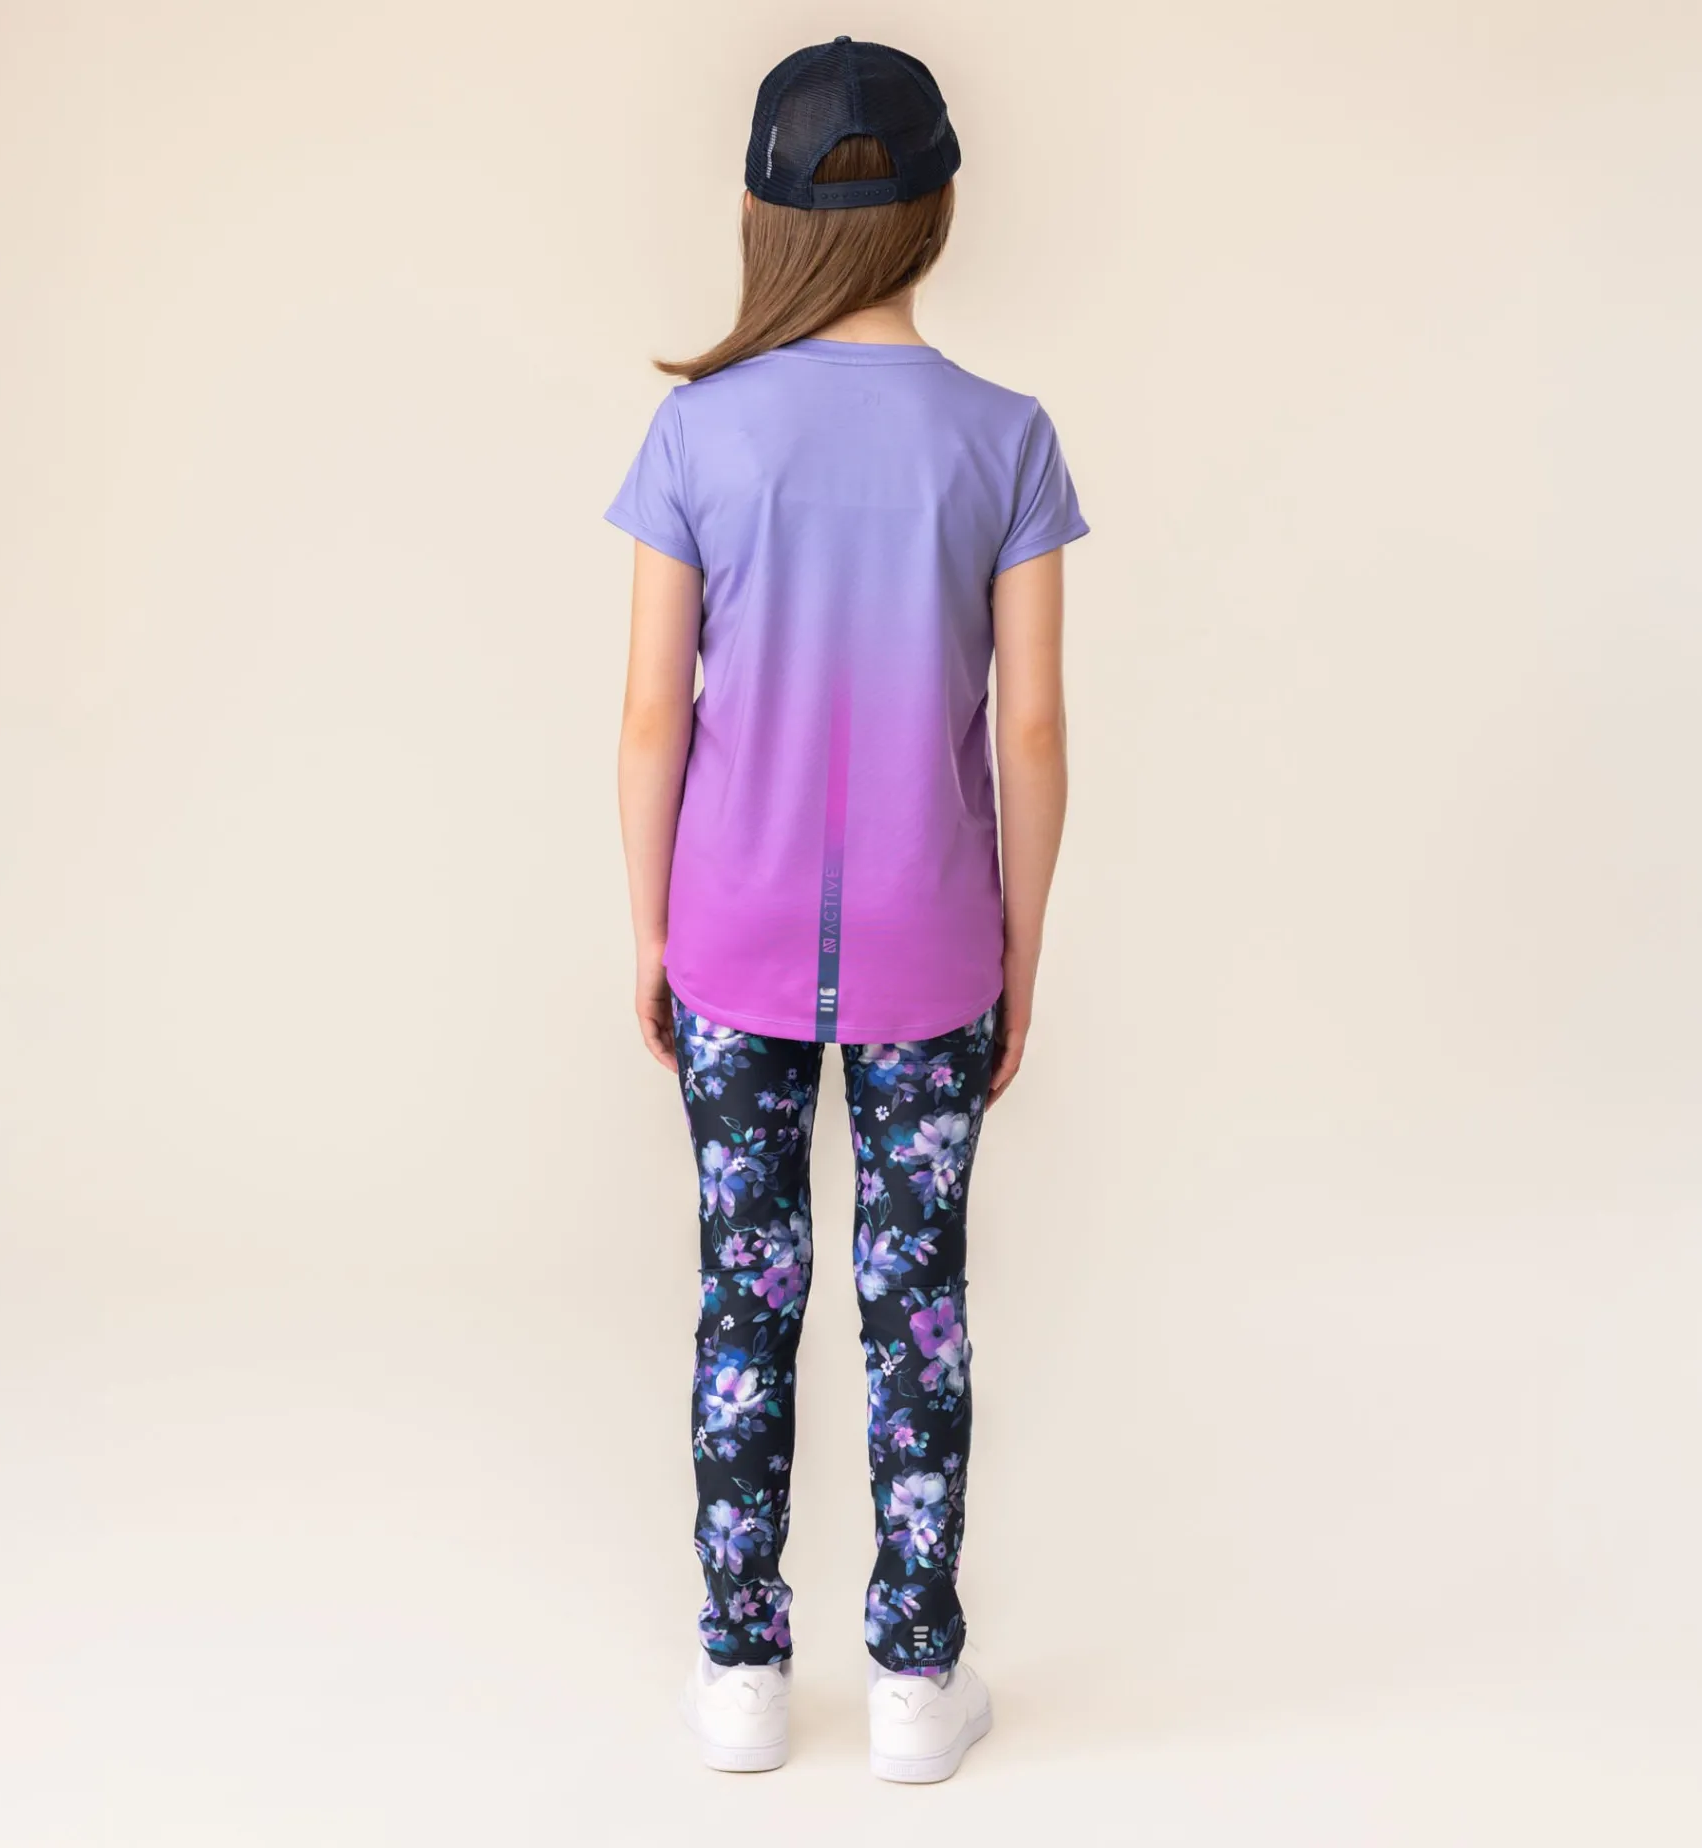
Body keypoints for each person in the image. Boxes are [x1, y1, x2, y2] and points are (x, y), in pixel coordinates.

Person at [605, 36, 1088, 1783]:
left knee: (746, 1294)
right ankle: (912, 1687)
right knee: (918, 1302)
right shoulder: (1005, 439)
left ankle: (742, 1672)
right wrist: (1019, 940)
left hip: (728, 939)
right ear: (935, 210)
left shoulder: (697, 431)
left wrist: (650, 929)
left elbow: (653, 715)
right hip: (932, 944)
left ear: (765, 211)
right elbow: (1030, 730)